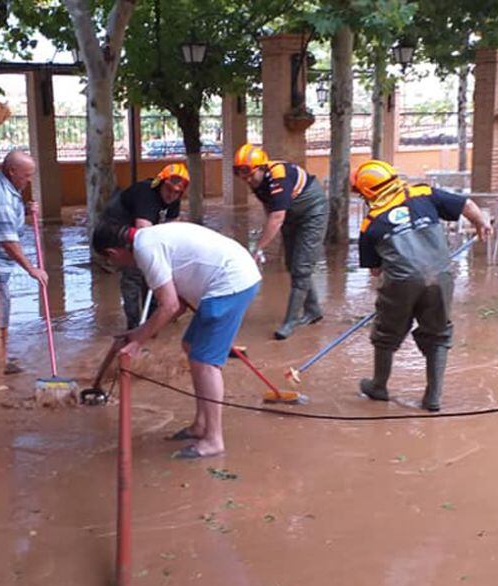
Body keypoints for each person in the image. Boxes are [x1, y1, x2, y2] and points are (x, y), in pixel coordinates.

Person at [92, 220, 261, 459]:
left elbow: (169, 306)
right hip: (233, 272)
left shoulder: (145, 250)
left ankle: (214, 439)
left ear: (113, 252)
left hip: (231, 281)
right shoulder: (146, 239)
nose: (115, 266)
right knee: (191, 346)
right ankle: (201, 425)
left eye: (111, 261)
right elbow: (178, 305)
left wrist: (138, 342)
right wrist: (139, 332)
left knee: (204, 362)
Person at [352, 159, 491, 412]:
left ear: (367, 193)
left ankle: (379, 386)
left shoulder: (370, 223)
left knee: (385, 335)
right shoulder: (423, 193)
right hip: (441, 275)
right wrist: (481, 223)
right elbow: (466, 204)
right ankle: (433, 397)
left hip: (401, 282)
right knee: (438, 334)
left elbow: (375, 271)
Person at [232, 144, 328, 340]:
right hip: (291, 215)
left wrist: (258, 249)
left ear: (262, 167)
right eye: (242, 175)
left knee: (302, 266)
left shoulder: (279, 176)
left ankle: (290, 322)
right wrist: (271, 240)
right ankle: (313, 310)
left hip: (313, 213)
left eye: (250, 174)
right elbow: (271, 210)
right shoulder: (258, 185)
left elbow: (277, 216)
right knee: (291, 263)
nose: (247, 179)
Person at [102, 163, 189, 329]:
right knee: (133, 276)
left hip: (141, 233)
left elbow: (172, 230)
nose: (171, 195)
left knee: (157, 274)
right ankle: (134, 325)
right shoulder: (146, 194)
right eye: (168, 189)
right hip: (119, 233)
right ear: (160, 184)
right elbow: (145, 235)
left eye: (177, 193)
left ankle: (154, 322)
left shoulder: (174, 200)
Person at [0, 150, 47, 375]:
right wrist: (31, 268)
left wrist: (24, 211)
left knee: (2, 310)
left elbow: (7, 224)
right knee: (1, 311)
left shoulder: (8, 188)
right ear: (12, 171)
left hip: (1, 265)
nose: (29, 180)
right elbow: (7, 239)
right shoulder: (0, 196)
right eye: (27, 175)